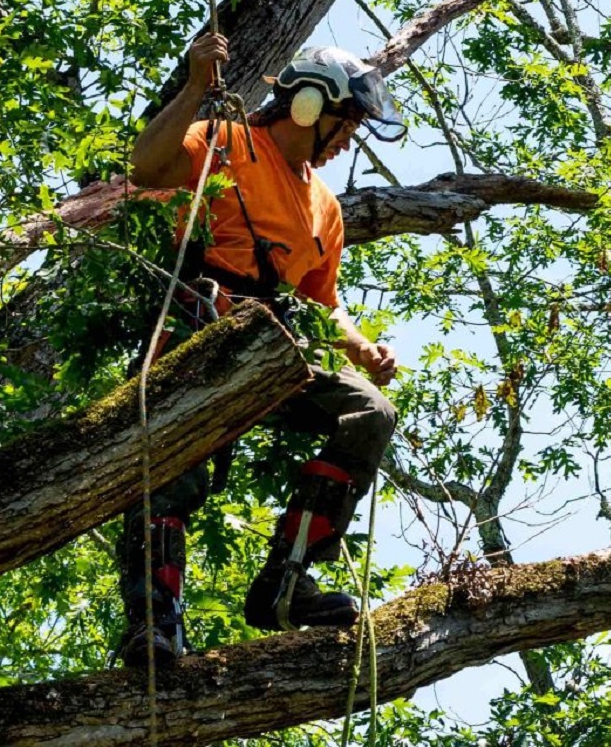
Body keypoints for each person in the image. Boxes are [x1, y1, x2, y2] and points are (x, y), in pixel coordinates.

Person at [117, 32, 405, 668]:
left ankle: (287, 578)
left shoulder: (324, 208)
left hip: (272, 347)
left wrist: (361, 351)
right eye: (345, 122)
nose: (348, 140)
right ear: (306, 106)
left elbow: (322, 304)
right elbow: (146, 169)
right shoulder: (227, 142)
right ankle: (154, 623)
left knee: (369, 413)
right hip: (197, 334)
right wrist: (196, 87)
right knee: (172, 477)